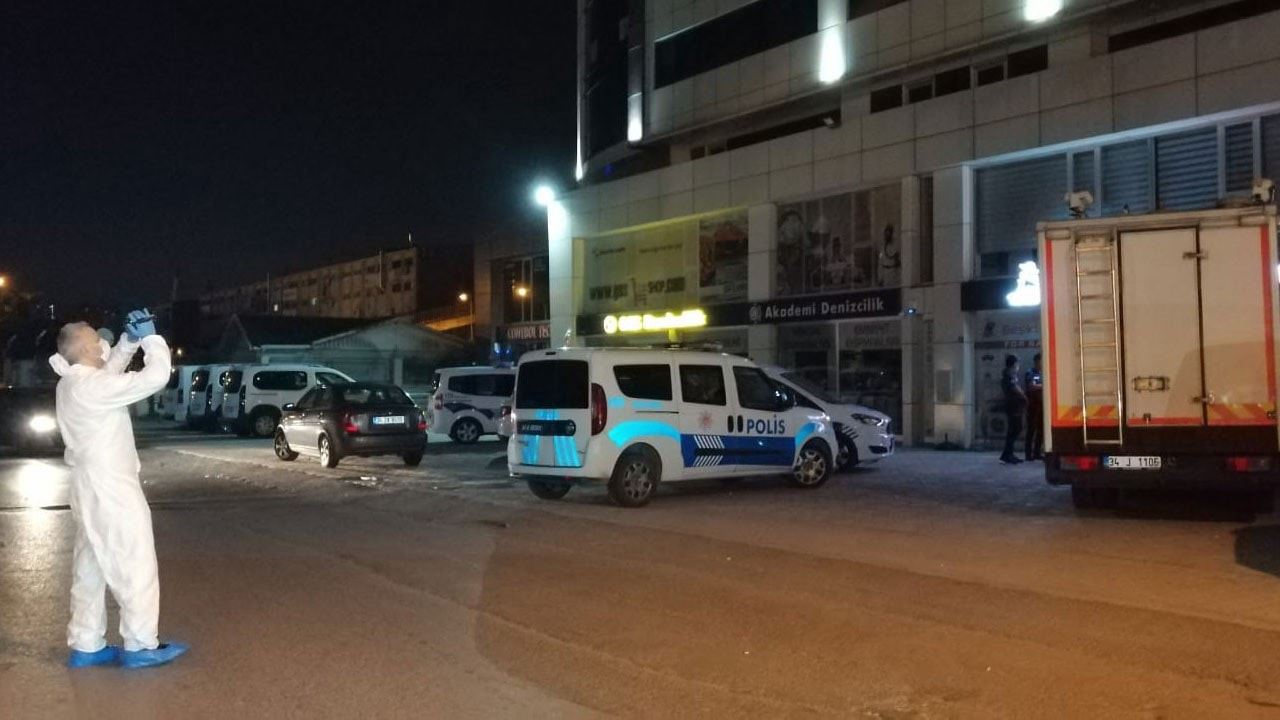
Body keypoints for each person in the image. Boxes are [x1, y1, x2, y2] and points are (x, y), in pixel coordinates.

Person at [49, 310, 189, 669]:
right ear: (87, 349)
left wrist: (128, 343)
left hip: (87, 487)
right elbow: (155, 377)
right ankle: (141, 646)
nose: (102, 340)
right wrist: (152, 339)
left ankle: (86, 644)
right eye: (95, 338)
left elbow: (106, 373)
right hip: (111, 487)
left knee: (91, 566)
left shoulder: (73, 383)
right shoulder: (92, 387)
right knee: (134, 562)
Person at [1000, 354, 1027, 465]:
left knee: (1014, 429)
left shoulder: (1010, 374)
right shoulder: (1009, 374)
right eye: (1017, 363)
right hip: (1013, 406)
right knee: (1015, 429)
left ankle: (1008, 454)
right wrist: (1024, 396)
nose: (1018, 365)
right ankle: (1007, 455)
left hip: (1014, 405)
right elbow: (1015, 388)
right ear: (1013, 364)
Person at [1024, 353, 1045, 461]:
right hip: (1032, 406)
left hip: (1042, 406)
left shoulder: (1043, 373)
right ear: (1037, 361)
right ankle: (1028, 454)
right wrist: (1044, 385)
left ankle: (1037, 453)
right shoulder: (1030, 372)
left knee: (1041, 430)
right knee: (1031, 430)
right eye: (1041, 361)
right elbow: (1031, 386)